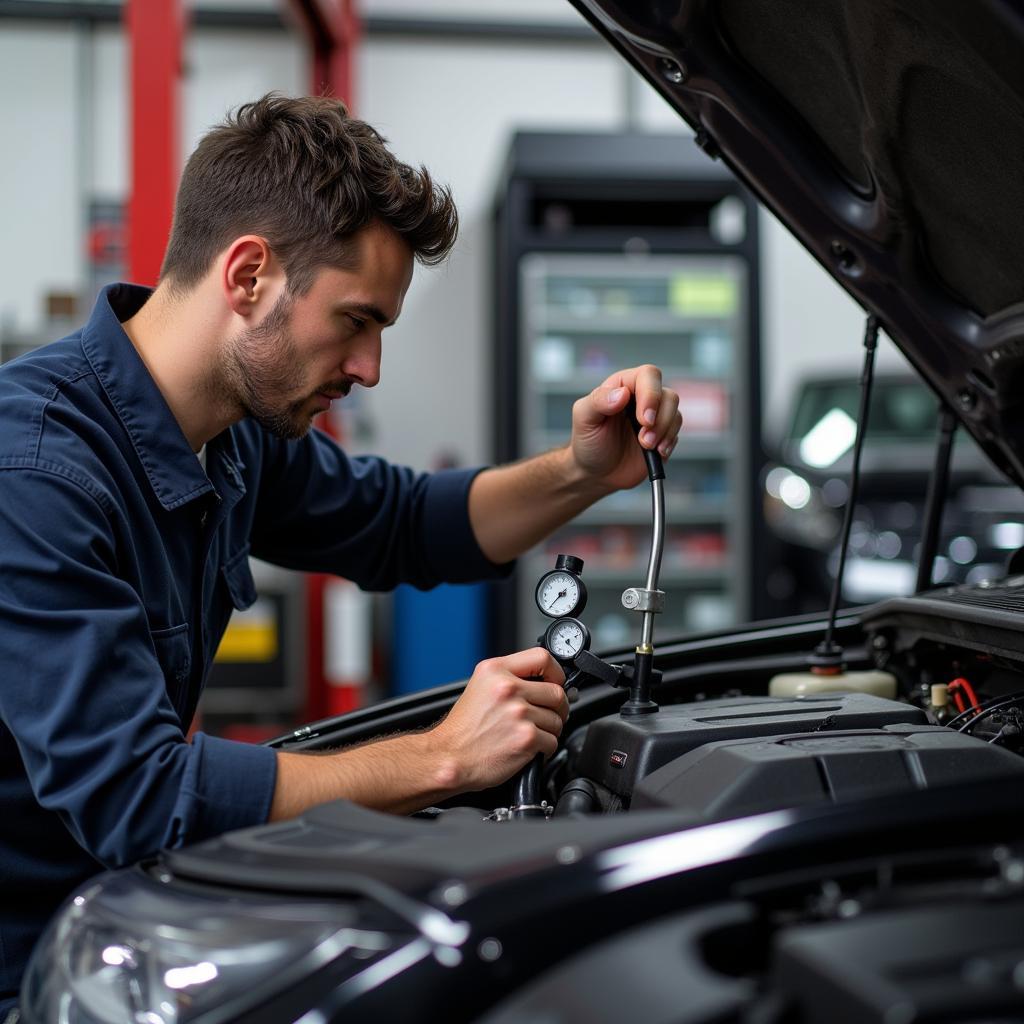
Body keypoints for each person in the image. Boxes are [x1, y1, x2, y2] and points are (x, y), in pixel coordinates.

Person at [0, 93, 681, 1014]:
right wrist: (442, 758)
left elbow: (402, 523)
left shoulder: (233, 431)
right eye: (357, 321)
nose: (369, 368)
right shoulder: (38, 474)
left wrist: (583, 471)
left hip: (111, 925)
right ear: (248, 275)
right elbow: (137, 793)